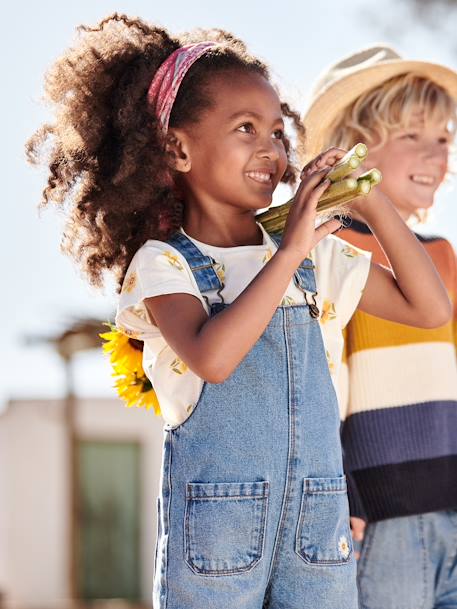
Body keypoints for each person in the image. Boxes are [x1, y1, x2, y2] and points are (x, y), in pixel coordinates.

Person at [27, 17, 451, 608]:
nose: (271, 149)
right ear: (177, 149)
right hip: (218, 537)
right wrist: (292, 251)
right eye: (245, 128)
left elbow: (430, 308)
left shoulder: (316, 254)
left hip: (319, 528)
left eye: (279, 131)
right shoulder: (165, 264)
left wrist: (374, 205)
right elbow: (213, 357)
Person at [303, 45, 457, 609]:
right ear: (355, 149)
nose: (436, 154)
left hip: (450, 510)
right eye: (412, 135)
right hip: (377, 518)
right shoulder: (324, 249)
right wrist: (334, 496)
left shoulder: (441, 256)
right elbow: (316, 384)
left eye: (443, 138)